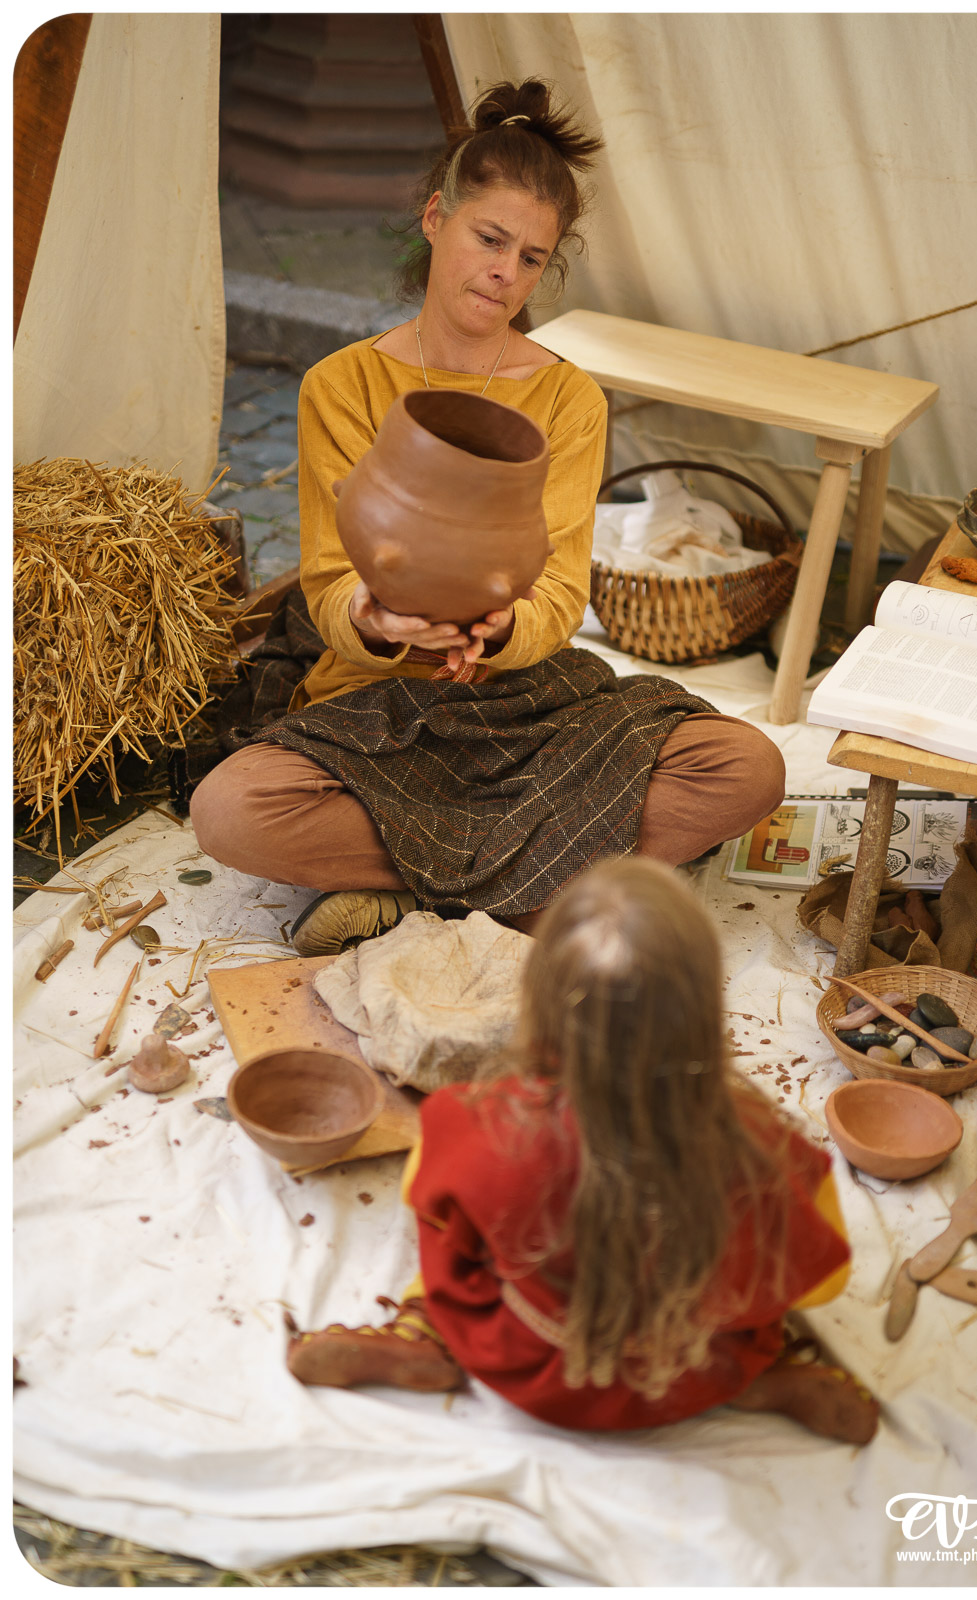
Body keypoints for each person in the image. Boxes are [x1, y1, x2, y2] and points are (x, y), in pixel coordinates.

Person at [190, 79, 786, 941]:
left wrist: (504, 629)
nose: (505, 272)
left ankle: (411, 891)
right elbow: (325, 582)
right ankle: (544, 884)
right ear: (436, 218)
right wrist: (378, 617)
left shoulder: (569, 399)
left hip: (521, 702)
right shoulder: (343, 384)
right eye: (489, 238)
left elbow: (558, 591)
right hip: (378, 706)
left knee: (744, 769)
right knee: (233, 811)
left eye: (532, 257)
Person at [286, 859, 879, 1445]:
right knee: (757, 1288)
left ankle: (425, 1334)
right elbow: (821, 1285)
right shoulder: (766, 1150)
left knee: (450, 1227)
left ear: (539, 999)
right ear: (699, 1009)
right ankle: (759, 1379)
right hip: (688, 1370)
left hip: (532, 1368)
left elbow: (430, 1207)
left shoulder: (473, 1122)